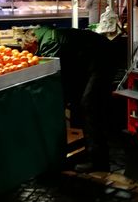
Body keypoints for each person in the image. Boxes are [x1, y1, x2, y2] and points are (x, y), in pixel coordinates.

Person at [23, 25, 117, 172]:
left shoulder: (48, 42)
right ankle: (91, 152)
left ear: (33, 42)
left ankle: (98, 161)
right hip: (93, 59)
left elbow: (53, 73)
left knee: (89, 105)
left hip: (101, 61)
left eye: (30, 50)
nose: (32, 54)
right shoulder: (46, 35)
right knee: (84, 105)